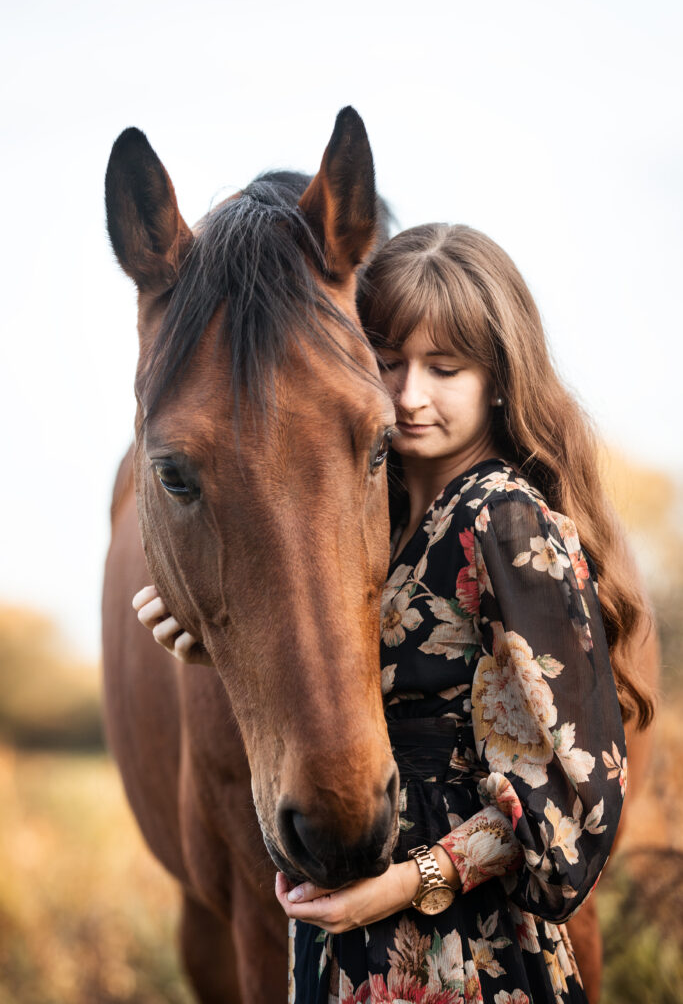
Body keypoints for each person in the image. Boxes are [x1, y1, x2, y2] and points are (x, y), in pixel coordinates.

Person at [134, 223, 653, 1004]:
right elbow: (395, 670)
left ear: (498, 379)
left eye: (444, 369)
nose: (409, 395)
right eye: (390, 364)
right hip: (366, 930)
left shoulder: (506, 521)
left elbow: (564, 797)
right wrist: (215, 641)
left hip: (464, 945)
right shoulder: (399, 513)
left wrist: (410, 882)